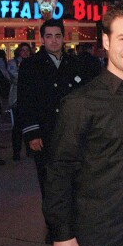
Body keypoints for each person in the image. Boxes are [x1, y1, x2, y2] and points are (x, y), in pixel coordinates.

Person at [43, 2, 123, 246]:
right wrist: (61, 233)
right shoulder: (80, 103)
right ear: (106, 41)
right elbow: (58, 171)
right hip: (91, 244)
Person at [17, 19, 83, 201]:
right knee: (49, 183)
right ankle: (54, 226)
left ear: (63, 38)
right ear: (42, 40)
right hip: (45, 133)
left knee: (73, 183)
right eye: (49, 36)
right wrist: (32, 134)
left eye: (57, 36)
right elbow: (25, 101)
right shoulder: (31, 65)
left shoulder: (73, 63)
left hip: (71, 134)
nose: (53, 41)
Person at [7, 43, 32, 161]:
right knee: (17, 126)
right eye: (23, 50)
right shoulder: (13, 63)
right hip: (17, 97)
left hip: (31, 98)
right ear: (18, 51)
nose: (25, 53)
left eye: (27, 50)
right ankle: (16, 151)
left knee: (31, 125)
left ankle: (30, 149)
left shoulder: (34, 63)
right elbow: (15, 77)